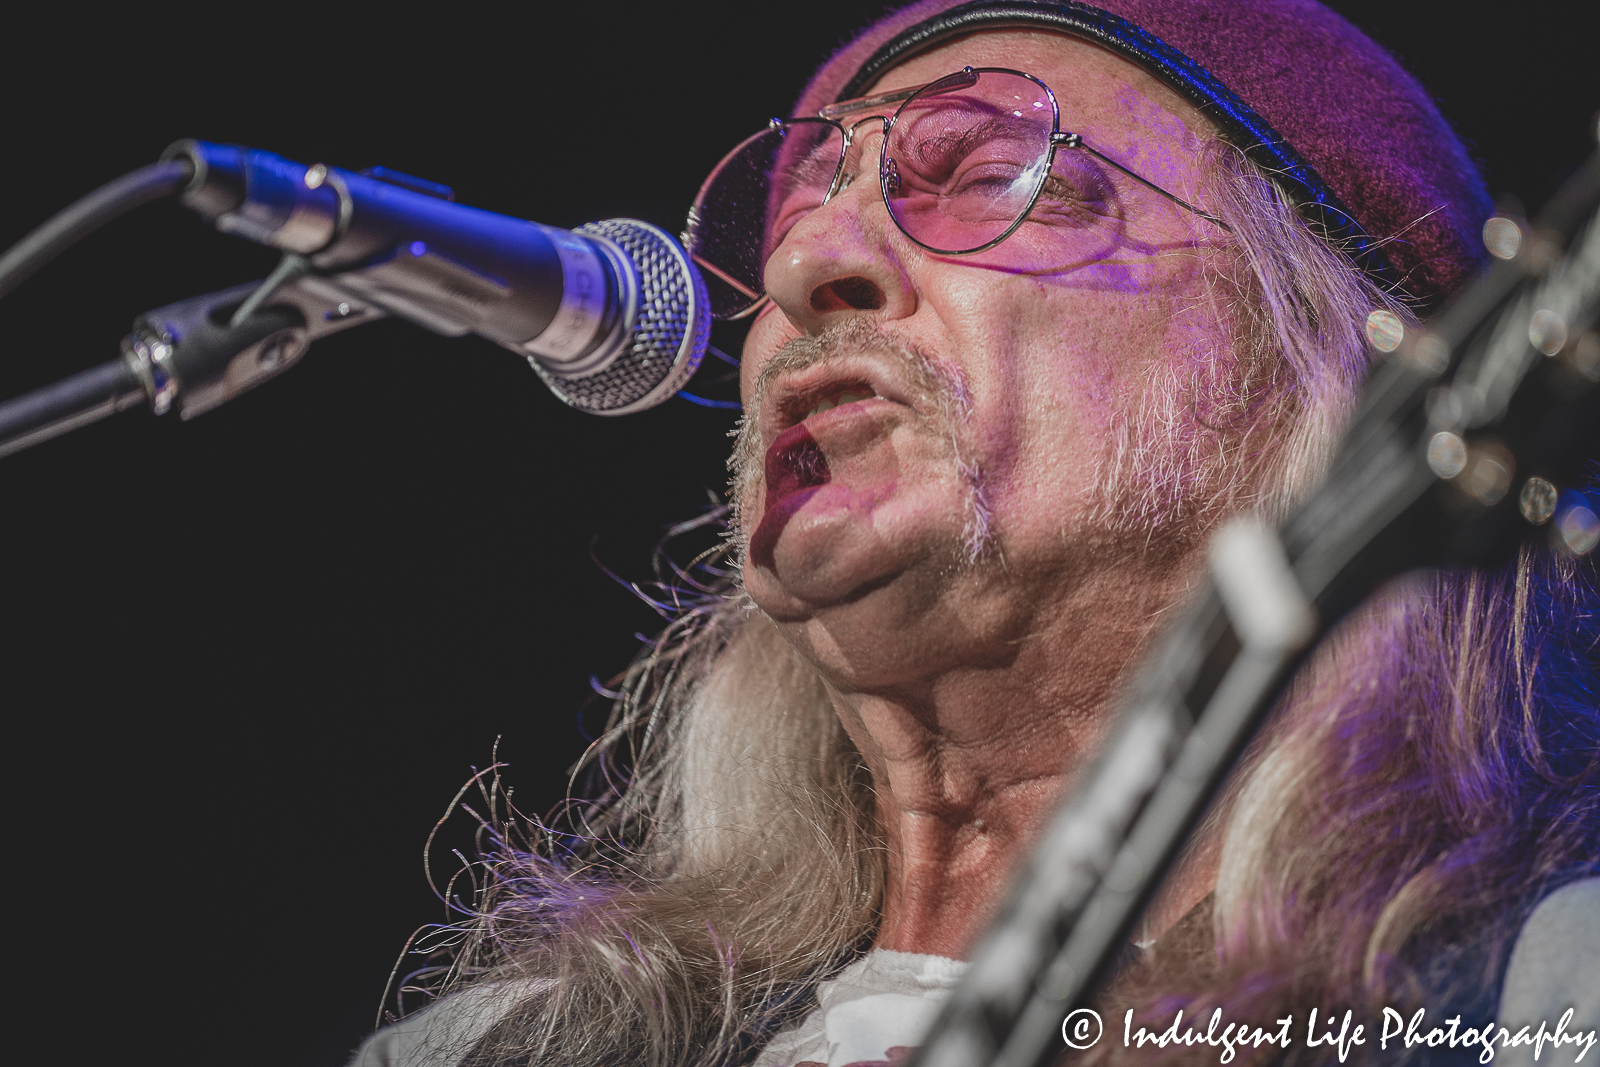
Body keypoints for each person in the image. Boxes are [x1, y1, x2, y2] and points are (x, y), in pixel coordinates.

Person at [350, 2, 1598, 1065]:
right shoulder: (500, 1042)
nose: (802, 267)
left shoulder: (1533, 997)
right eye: (798, 219)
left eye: (982, 174)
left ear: (1321, 358)